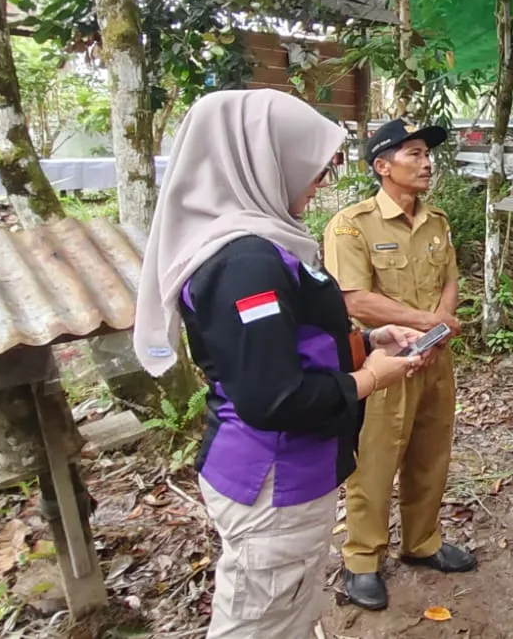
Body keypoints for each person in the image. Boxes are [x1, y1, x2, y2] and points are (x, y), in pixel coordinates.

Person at [131, 89, 425, 638]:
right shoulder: (245, 262)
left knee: (289, 607)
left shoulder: (264, 244)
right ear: (262, 160)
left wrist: (367, 337)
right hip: (273, 479)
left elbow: (287, 339)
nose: (318, 183)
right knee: (261, 617)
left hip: (295, 470)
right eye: (310, 167)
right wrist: (370, 378)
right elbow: (273, 397)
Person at [323, 119, 473, 611]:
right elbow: (355, 299)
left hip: (436, 356)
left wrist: (443, 322)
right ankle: (362, 558)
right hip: (385, 361)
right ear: (382, 166)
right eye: (413, 153)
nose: (426, 161)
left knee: (430, 450)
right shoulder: (351, 224)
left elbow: (450, 276)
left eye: (427, 153)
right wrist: (425, 320)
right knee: (375, 460)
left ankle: (422, 541)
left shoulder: (437, 221)